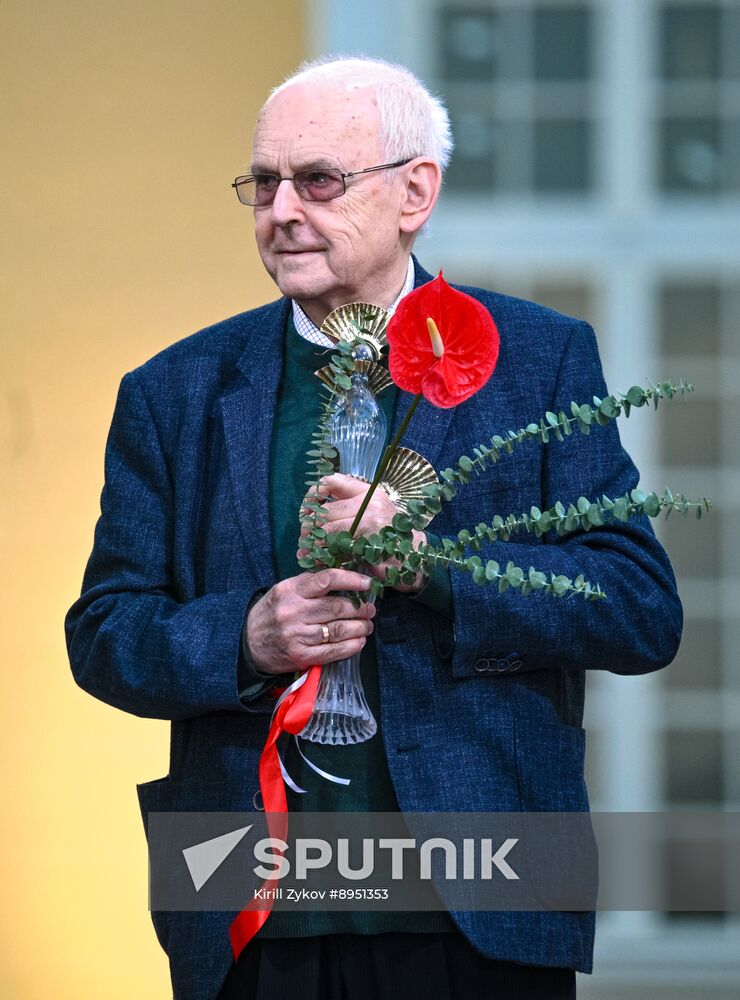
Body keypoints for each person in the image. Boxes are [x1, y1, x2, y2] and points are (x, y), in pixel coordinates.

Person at [65, 56, 682, 1000]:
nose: (280, 211)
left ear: (415, 192)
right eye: (263, 184)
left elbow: (638, 610)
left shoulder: (540, 360)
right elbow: (105, 635)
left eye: (318, 181)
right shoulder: (172, 393)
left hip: (489, 898)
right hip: (249, 907)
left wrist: (428, 567)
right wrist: (244, 637)